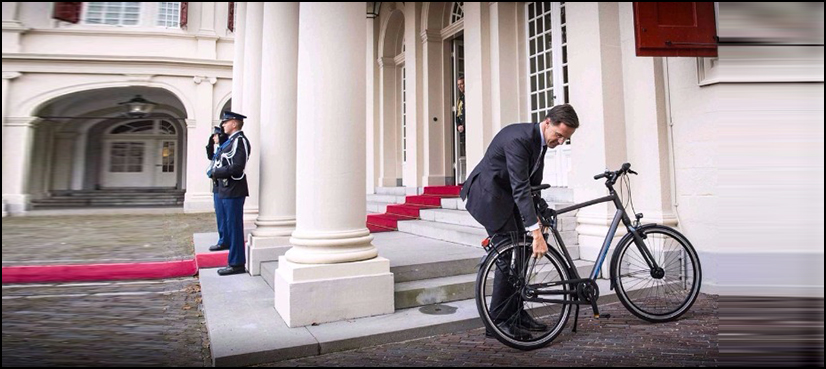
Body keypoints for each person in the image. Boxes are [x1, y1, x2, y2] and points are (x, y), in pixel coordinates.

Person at [460, 104, 579, 339]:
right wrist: (536, 233)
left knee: (523, 251)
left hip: (507, 197)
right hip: (489, 196)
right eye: (559, 135)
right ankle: (497, 323)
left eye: (566, 138)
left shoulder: (540, 142)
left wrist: (541, 212)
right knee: (506, 254)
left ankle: (515, 311)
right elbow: (521, 187)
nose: (561, 142)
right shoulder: (519, 139)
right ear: (548, 122)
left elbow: (533, 185)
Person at [209, 111, 251, 276]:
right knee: (229, 225)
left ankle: (237, 263)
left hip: (233, 188)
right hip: (226, 188)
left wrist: (216, 172)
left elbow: (237, 167)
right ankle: (233, 259)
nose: (223, 125)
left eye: (226, 122)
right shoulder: (231, 141)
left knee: (234, 227)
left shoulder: (240, 141)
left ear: (234, 123)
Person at [206, 126, 229, 252]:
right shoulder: (220, 149)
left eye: (215, 135)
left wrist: (214, 172)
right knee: (220, 215)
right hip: (217, 185)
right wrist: (210, 144)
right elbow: (211, 157)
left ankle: (224, 240)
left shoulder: (225, 148)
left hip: (222, 185)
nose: (214, 137)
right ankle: (223, 239)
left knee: (223, 216)